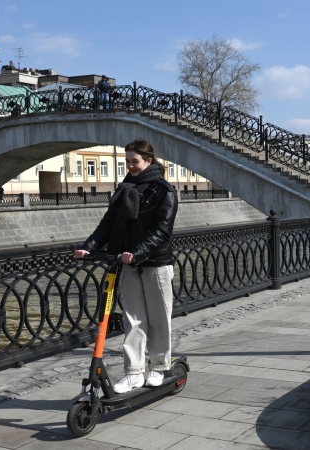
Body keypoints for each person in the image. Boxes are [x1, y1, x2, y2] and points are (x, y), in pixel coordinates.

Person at [74, 138, 178, 394]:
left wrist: (138, 252)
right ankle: (133, 372)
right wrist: (89, 246)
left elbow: (161, 231)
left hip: (154, 263)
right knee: (133, 320)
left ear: (148, 161)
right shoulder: (124, 189)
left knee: (158, 319)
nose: (130, 166)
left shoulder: (164, 191)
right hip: (128, 263)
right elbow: (108, 224)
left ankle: (158, 367)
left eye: (135, 161)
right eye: (127, 161)